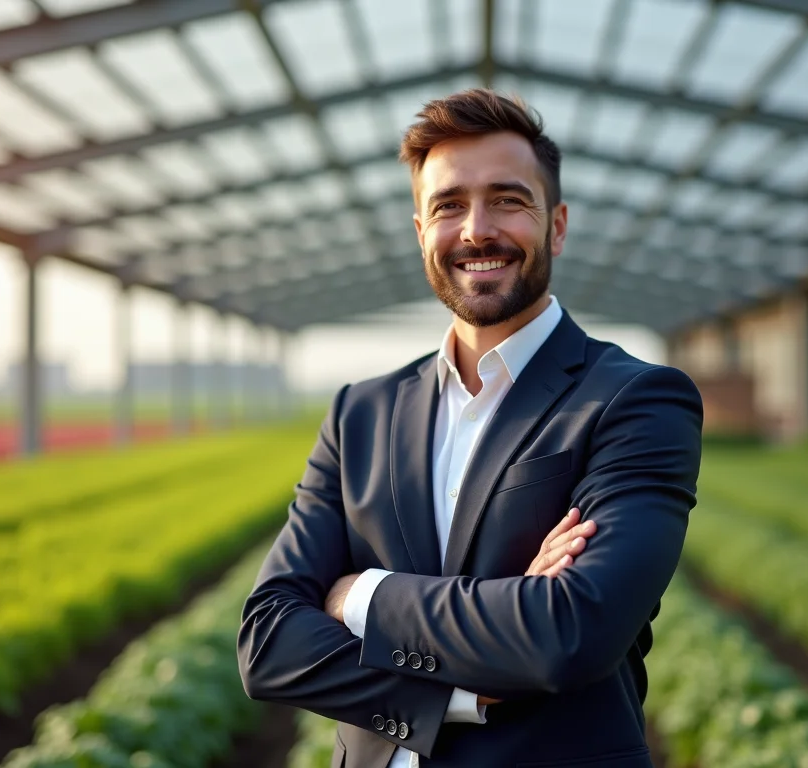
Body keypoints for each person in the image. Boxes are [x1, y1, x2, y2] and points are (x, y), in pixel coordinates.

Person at [238, 88, 703, 768]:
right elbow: (269, 643)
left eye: (508, 200)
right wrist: (467, 687)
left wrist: (356, 593)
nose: (476, 230)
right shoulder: (359, 414)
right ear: (421, 230)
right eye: (448, 205)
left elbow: (569, 633)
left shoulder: (634, 400)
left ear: (558, 225)